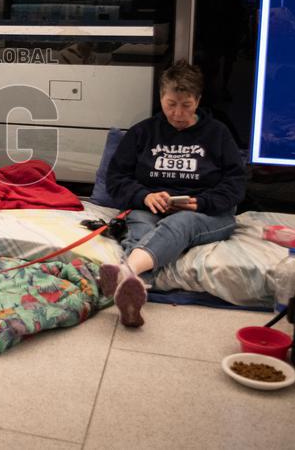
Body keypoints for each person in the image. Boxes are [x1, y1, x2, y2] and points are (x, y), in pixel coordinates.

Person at [102, 60, 246, 327]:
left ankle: (126, 271)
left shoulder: (218, 134)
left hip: (208, 212)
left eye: (186, 105)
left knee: (179, 222)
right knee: (141, 226)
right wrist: (144, 196)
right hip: (151, 207)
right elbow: (116, 179)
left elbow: (235, 185)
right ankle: (133, 293)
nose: (178, 113)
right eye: (171, 104)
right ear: (161, 98)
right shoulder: (143, 132)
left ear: (198, 101)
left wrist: (201, 202)